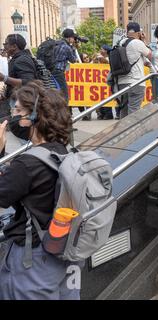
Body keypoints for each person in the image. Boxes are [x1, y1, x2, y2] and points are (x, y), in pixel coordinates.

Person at [0, 82, 80, 300]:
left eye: (17, 111)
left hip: (33, 260)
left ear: (34, 116)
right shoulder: (65, 152)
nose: (12, 116)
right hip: (64, 252)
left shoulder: (27, 163)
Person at [117, 22, 152, 119]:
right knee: (134, 111)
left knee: (123, 111)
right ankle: (132, 133)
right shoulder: (138, 43)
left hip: (122, 82)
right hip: (136, 82)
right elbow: (150, 55)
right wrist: (144, 40)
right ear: (138, 32)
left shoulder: (120, 42)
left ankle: (122, 133)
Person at [0, 34, 37, 120]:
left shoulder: (21, 59)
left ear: (14, 46)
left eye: (6, 43)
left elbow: (29, 82)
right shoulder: (17, 58)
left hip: (22, 102)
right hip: (17, 100)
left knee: (21, 128)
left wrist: (4, 78)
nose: (4, 46)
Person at [52, 28, 78, 103]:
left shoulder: (56, 43)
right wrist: (73, 47)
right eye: (73, 38)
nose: (73, 40)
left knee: (55, 93)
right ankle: (64, 112)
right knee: (64, 94)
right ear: (69, 38)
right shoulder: (66, 47)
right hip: (58, 72)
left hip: (51, 70)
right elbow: (73, 60)